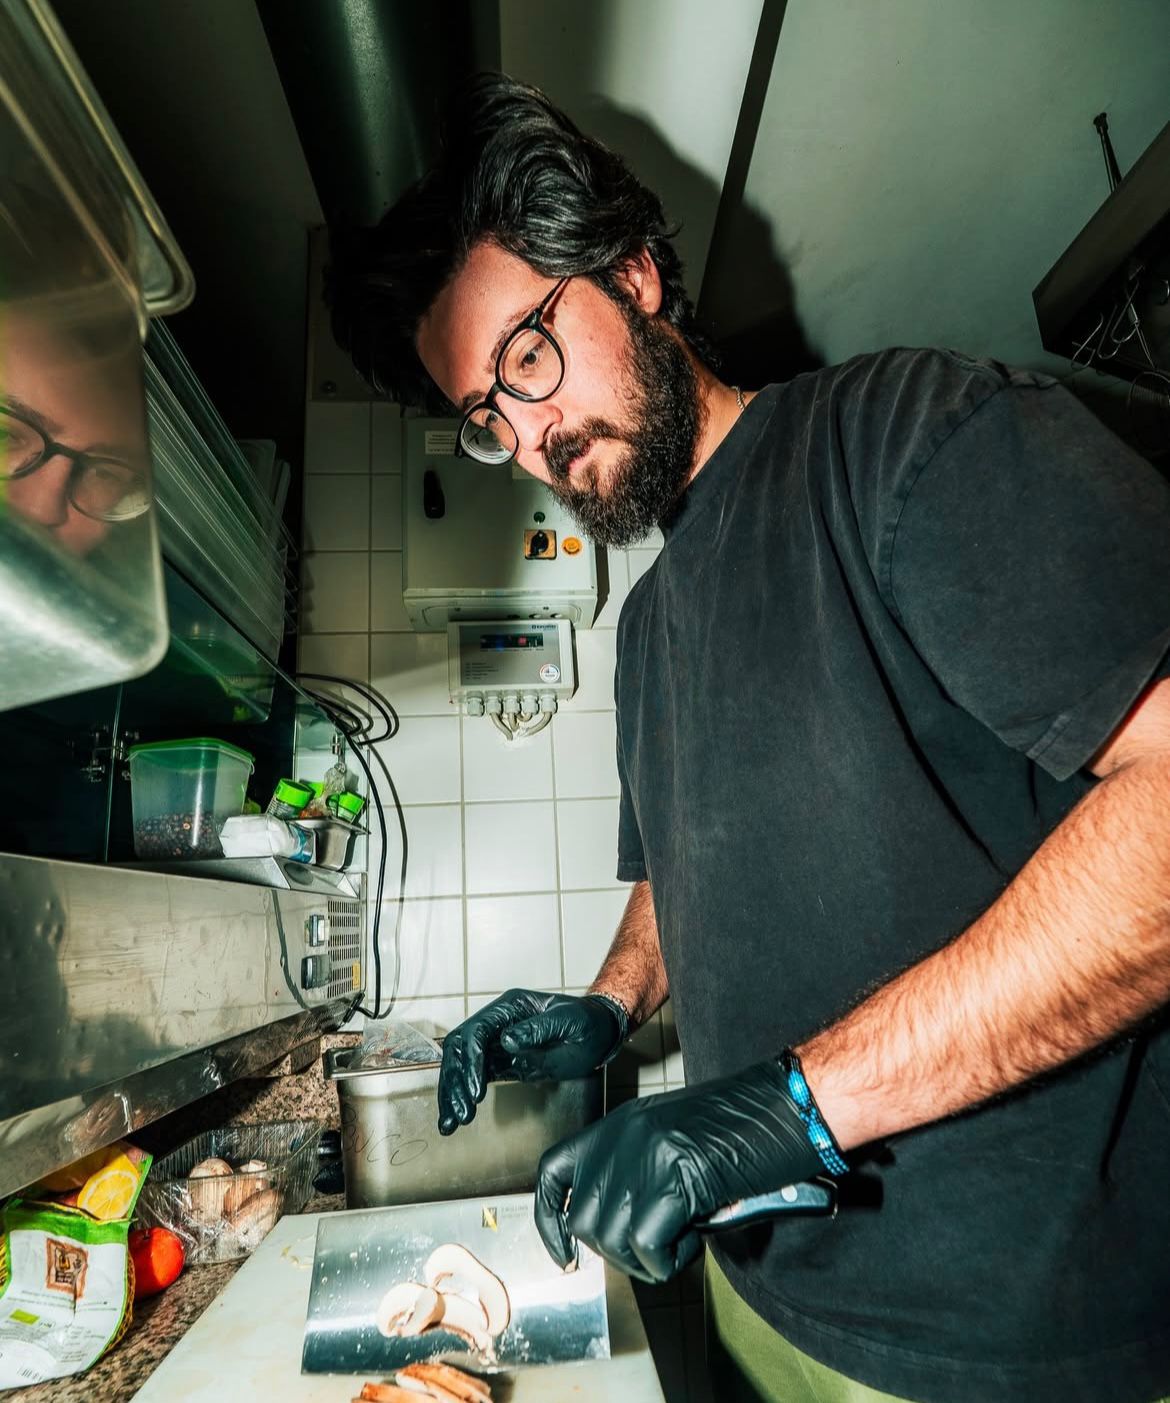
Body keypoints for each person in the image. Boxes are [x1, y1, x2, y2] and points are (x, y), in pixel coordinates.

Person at [328, 74, 1170, 1403]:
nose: (527, 434)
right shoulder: (651, 618)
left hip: (1013, 1334)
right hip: (759, 1293)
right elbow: (683, 872)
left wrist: (795, 1107)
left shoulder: (903, 435)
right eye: (483, 418)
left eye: (527, 361)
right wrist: (606, 1007)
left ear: (637, 275)